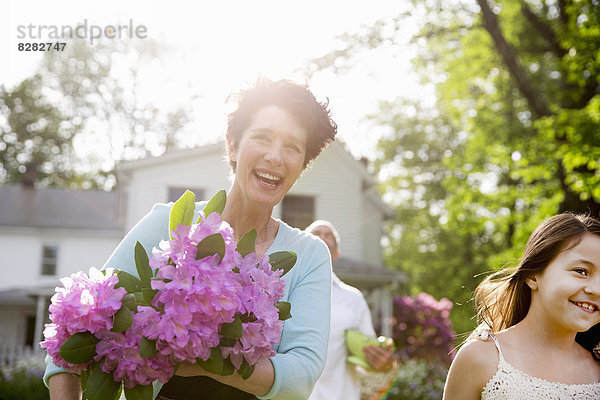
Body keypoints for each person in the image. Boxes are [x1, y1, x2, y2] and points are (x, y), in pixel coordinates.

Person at [44, 78, 338, 400]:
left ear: (302, 166)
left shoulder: (309, 255)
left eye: (293, 147)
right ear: (233, 145)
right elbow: (75, 327)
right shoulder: (170, 224)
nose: (275, 157)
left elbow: (300, 377)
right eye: (262, 137)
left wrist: (198, 357)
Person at [443, 213, 600, 399]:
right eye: (581, 271)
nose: (597, 290)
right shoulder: (481, 358)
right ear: (533, 276)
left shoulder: (596, 368)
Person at [305, 220, 395, 400]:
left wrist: (383, 363)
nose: (322, 236)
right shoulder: (284, 293)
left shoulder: (354, 299)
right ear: (303, 248)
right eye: (316, 233)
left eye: (328, 234)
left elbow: (367, 358)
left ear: (336, 253)